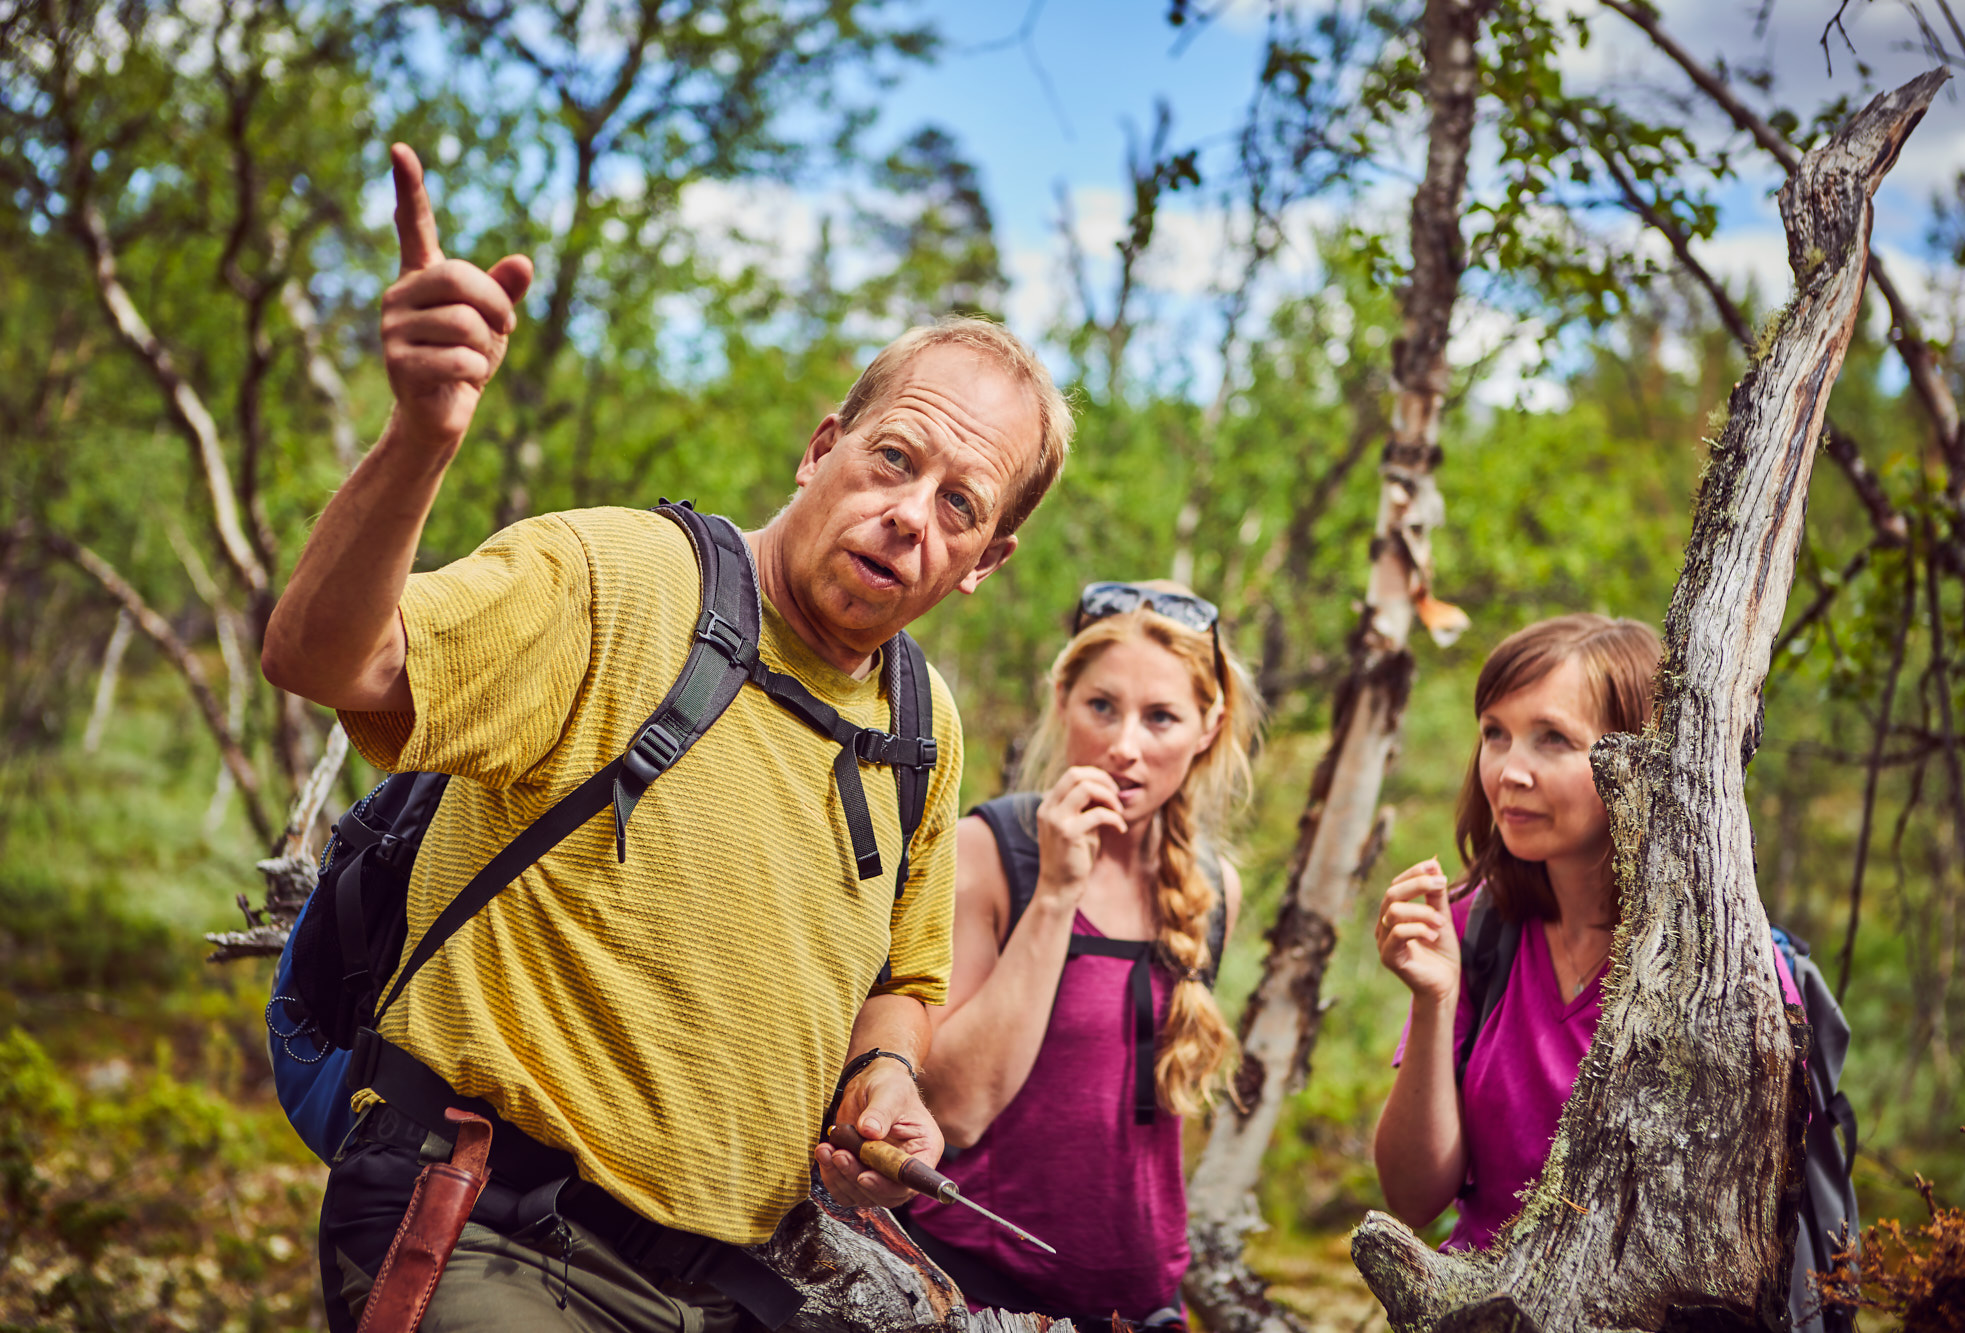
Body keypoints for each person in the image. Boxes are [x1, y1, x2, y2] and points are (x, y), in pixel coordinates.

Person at [259, 142, 1074, 1330]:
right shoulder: (624, 578)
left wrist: (884, 1076)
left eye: (958, 505)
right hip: (484, 1219)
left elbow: (902, 979)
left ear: (984, 563)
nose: (908, 514)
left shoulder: (919, 723)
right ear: (820, 446)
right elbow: (329, 659)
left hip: (728, 1285)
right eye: (893, 458)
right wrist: (421, 437)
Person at [1371, 613, 1801, 1252]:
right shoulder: (1474, 929)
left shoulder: (1725, 959)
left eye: (1552, 739)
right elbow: (1412, 1197)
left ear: (1641, 760)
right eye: (1496, 733)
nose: (1508, 772)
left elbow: (1750, 1211)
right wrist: (1433, 1000)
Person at [908, 581, 1262, 1330]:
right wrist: (1057, 893)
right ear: (1062, 697)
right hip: (979, 1296)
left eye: (1161, 716)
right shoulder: (990, 851)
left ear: (1209, 725)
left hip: (1142, 1306)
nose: (1124, 745)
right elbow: (952, 1109)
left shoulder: (1211, 886)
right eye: (1102, 706)